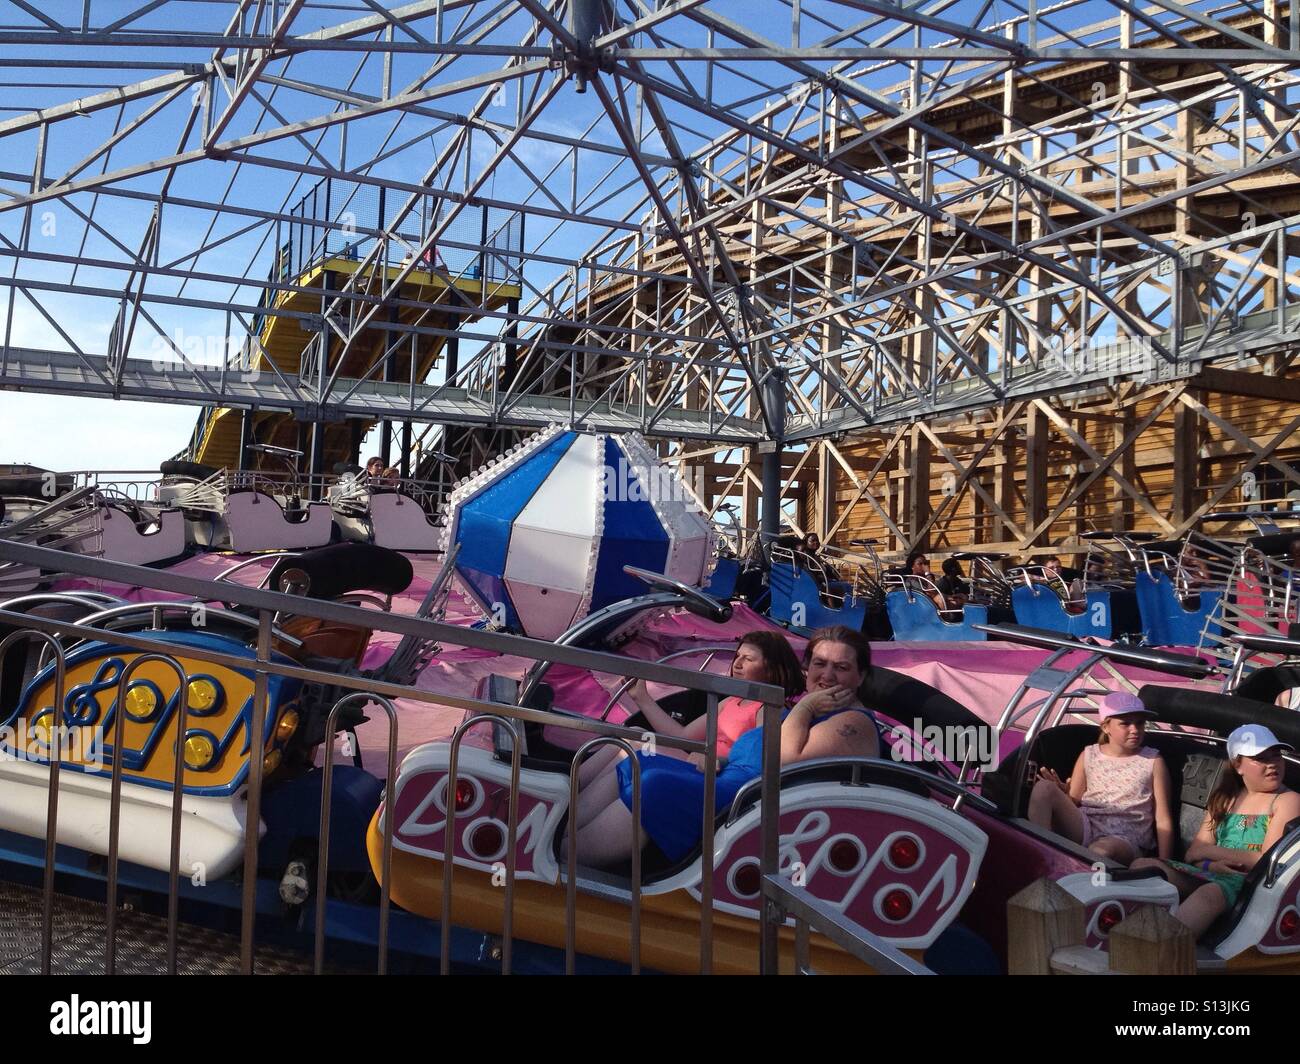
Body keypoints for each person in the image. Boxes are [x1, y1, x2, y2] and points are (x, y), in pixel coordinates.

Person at [565, 626, 882, 869]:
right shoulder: (807, 714)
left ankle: (566, 857)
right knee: (640, 762)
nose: (826, 675)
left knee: (655, 783)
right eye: (819, 664)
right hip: (737, 786)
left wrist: (804, 708)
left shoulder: (852, 723)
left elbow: (782, 759)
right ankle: (559, 829)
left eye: (840, 667)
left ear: (861, 675)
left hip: (755, 804)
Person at [1132, 724, 1300, 937]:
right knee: (1143, 866)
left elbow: (1264, 861)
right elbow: (1193, 854)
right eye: (1261, 758)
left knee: (1209, 894)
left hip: (1250, 885)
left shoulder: (1287, 800)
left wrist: (1207, 852)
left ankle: (1159, 952)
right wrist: (1213, 864)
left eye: (1276, 756)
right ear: (1238, 765)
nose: (1272, 764)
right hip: (1212, 873)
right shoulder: (1224, 800)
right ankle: (1120, 936)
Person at [576, 631, 804, 788]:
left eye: (748, 659)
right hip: (695, 761)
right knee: (631, 733)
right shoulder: (732, 701)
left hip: (712, 773)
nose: (737, 663)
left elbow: (759, 760)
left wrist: (720, 762)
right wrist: (641, 698)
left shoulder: (770, 709)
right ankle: (572, 786)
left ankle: (570, 790)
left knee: (633, 744)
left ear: (772, 668)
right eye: (737, 656)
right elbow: (682, 736)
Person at [1028, 691, 1175, 865]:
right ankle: (1041, 857)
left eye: (1140, 723)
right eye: (1125, 724)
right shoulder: (1089, 754)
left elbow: (1163, 818)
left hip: (1126, 837)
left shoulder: (1153, 760)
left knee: (1101, 850)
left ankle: (1077, 876)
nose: (1134, 730)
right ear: (1106, 727)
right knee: (1043, 788)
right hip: (1087, 825)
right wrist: (1063, 792)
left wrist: (1164, 864)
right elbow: (1074, 800)